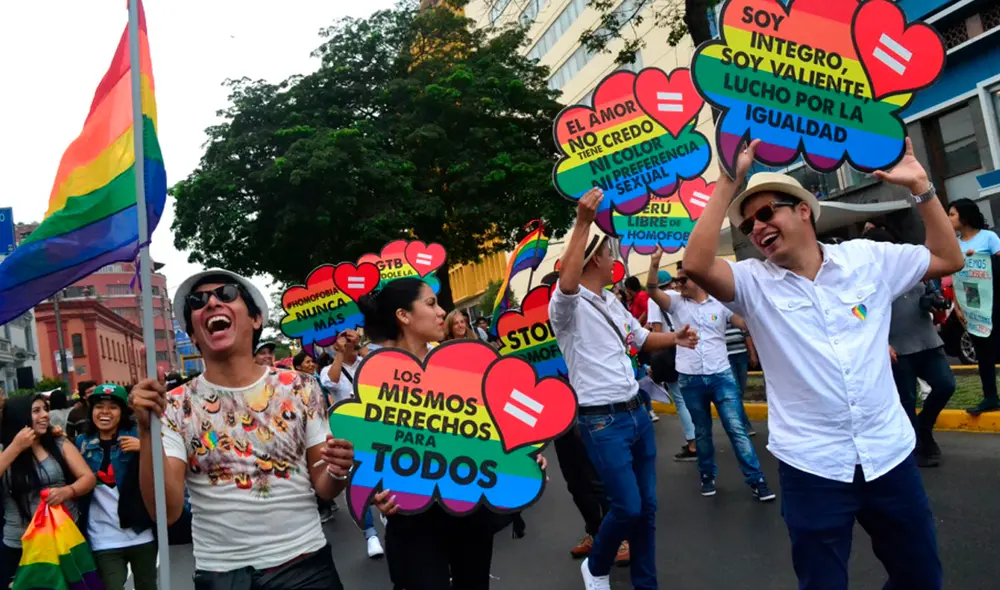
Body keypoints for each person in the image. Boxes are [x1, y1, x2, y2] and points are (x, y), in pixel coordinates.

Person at [682, 138, 963, 589]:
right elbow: (695, 263)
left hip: (888, 457)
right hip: (813, 468)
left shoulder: (867, 260)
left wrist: (923, 189)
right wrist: (728, 182)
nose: (757, 227)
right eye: (749, 223)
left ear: (803, 211)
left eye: (766, 212)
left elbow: (949, 257)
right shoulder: (753, 283)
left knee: (921, 578)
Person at [129, 268, 355, 589]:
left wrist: (338, 470)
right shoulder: (174, 405)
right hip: (221, 574)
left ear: (256, 319)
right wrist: (146, 429)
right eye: (198, 301)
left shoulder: (301, 387)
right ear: (192, 335)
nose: (211, 303)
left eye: (226, 295)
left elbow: (325, 486)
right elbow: (165, 512)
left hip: (305, 565)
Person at [550, 188, 698, 590]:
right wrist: (582, 222)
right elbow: (566, 284)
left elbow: (641, 340)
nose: (616, 256)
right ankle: (596, 567)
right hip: (602, 422)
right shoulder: (566, 305)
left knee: (647, 509)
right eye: (610, 250)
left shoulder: (612, 303)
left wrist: (676, 338)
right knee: (627, 506)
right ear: (595, 257)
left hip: (637, 411)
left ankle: (645, 584)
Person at [360, 278, 546, 589]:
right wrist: (373, 490)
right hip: (412, 514)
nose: (442, 312)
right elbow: (363, 446)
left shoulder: (459, 362)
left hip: (468, 505)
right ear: (403, 316)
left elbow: (488, 422)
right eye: (431, 304)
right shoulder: (374, 375)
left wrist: (523, 453)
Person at [646, 252, 774, 501]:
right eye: (676, 281)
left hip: (721, 376)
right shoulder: (675, 303)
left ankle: (757, 479)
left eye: (683, 280)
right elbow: (652, 290)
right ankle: (707, 476)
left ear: (699, 280)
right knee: (702, 432)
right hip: (690, 378)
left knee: (736, 429)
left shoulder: (721, 303)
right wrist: (653, 264)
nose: (678, 285)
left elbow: (744, 321)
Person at [535, 271, 615, 561]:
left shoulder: (581, 323)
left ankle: (617, 538)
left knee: (596, 477)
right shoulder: (537, 334)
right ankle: (595, 532)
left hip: (589, 408)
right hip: (558, 416)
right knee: (574, 480)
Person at [863, 227, 956, 467]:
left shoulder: (914, 269)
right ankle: (916, 447)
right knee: (907, 400)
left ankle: (924, 427)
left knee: (946, 385)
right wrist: (882, 344)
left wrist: (934, 304)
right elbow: (859, 317)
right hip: (897, 348)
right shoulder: (864, 280)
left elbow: (932, 293)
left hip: (927, 340)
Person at [0, 394, 97, 585]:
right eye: (36, 411)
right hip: (20, 544)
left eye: (45, 409)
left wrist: (67, 491)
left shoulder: (59, 443)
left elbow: (88, 478)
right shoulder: (5, 450)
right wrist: (16, 447)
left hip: (62, 540)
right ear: (20, 417)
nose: (45, 415)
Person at [76, 383, 156, 590]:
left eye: (112, 407)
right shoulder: (81, 443)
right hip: (103, 538)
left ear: (122, 412)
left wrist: (145, 448)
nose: (104, 412)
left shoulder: (139, 436)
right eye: (98, 406)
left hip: (141, 532)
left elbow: (167, 463)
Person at [319, 328, 385, 558]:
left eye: (351, 336)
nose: (348, 341)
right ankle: (370, 533)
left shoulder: (367, 359)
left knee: (386, 474)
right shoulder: (329, 369)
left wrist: (360, 344)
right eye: (343, 337)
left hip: (378, 428)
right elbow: (332, 383)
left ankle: (388, 511)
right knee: (359, 482)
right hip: (350, 434)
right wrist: (339, 352)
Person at [948, 198, 1000, 415]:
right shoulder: (955, 245)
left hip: (994, 300)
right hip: (971, 304)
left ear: (965, 216)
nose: (948, 218)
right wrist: (958, 307)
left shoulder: (989, 238)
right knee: (982, 353)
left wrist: (977, 259)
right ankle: (990, 397)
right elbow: (956, 278)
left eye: (951, 214)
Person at [646, 270, 697, 461]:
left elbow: (658, 332)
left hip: (672, 352)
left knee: (680, 398)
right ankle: (699, 438)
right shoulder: (683, 294)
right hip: (691, 348)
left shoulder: (655, 300)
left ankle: (693, 443)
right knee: (693, 397)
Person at [725, 318, 757, 437]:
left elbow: (746, 335)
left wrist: (752, 354)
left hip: (741, 355)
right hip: (727, 358)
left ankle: (735, 423)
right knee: (736, 391)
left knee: (741, 391)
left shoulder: (735, 316)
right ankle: (745, 425)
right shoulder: (715, 314)